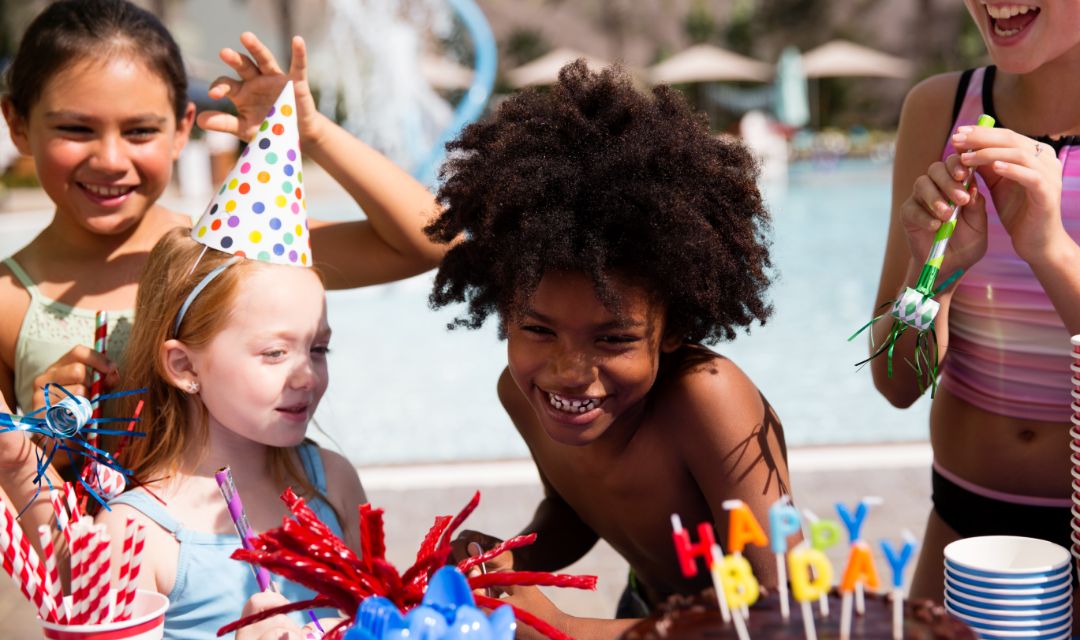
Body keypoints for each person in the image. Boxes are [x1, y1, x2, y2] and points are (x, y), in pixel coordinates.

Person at [426, 61, 791, 638]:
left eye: (615, 338)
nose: (570, 372)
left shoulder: (708, 400)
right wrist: (510, 563)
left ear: (672, 327)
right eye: (539, 330)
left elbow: (786, 618)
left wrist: (561, 628)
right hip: (644, 613)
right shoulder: (523, 394)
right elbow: (579, 508)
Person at [0, 0, 442, 416]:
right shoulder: (7, 302)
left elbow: (429, 242)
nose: (111, 160)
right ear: (17, 125)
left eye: (139, 131)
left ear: (181, 129)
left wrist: (310, 133)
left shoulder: (229, 250)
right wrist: (43, 443)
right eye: (76, 129)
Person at [870, 0, 1080, 614]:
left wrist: (1050, 251)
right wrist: (933, 276)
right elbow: (895, 381)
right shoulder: (940, 110)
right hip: (966, 539)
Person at [96, 224, 366, 640]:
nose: (307, 376)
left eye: (318, 349)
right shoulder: (137, 533)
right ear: (184, 367)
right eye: (274, 353)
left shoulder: (333, 481)